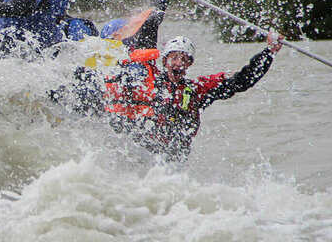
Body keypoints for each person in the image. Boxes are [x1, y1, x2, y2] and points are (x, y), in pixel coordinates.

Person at [105, 32, 285, 162]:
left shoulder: (197, 90)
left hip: (174, 159)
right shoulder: (148, 83)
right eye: (174, 58)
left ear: (189, 64)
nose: (178, 63)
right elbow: (148, 32)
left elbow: (241, 81)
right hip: (142, 154)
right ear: (165, 61)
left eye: (183, 59)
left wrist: (269, 52)